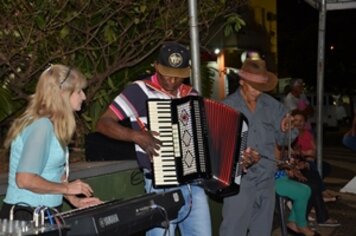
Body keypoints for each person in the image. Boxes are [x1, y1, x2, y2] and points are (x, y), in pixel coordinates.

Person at [95, 42, 212, 236]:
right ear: (156, 66)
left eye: (179, 75)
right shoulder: (139, 91)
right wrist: (135, 135)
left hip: (194, 186)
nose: (172, 80)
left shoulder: (191, 95)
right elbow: (103, 123)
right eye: (167, 73)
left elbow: (205, 138)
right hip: (159, 185)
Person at [0, 64, 102, 221]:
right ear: (62, 94)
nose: (84, 97)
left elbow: (52, 174)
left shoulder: (53, 125)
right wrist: (68, 187)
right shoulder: (42, 126)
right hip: (26, 215)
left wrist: (75, 200)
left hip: (43, 213)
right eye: (79, 91)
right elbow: (24, 179)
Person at [219, 57, 296, 236]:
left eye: (261, 88)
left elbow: (285, 140)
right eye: (253, 87)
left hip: (266, 179)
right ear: (241, 81)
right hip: (240, 181)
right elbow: (219, 148)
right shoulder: (226, 107)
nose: (257, 92)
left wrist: (287, 128)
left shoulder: (273, 106)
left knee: (261, 231)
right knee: (233, 230)